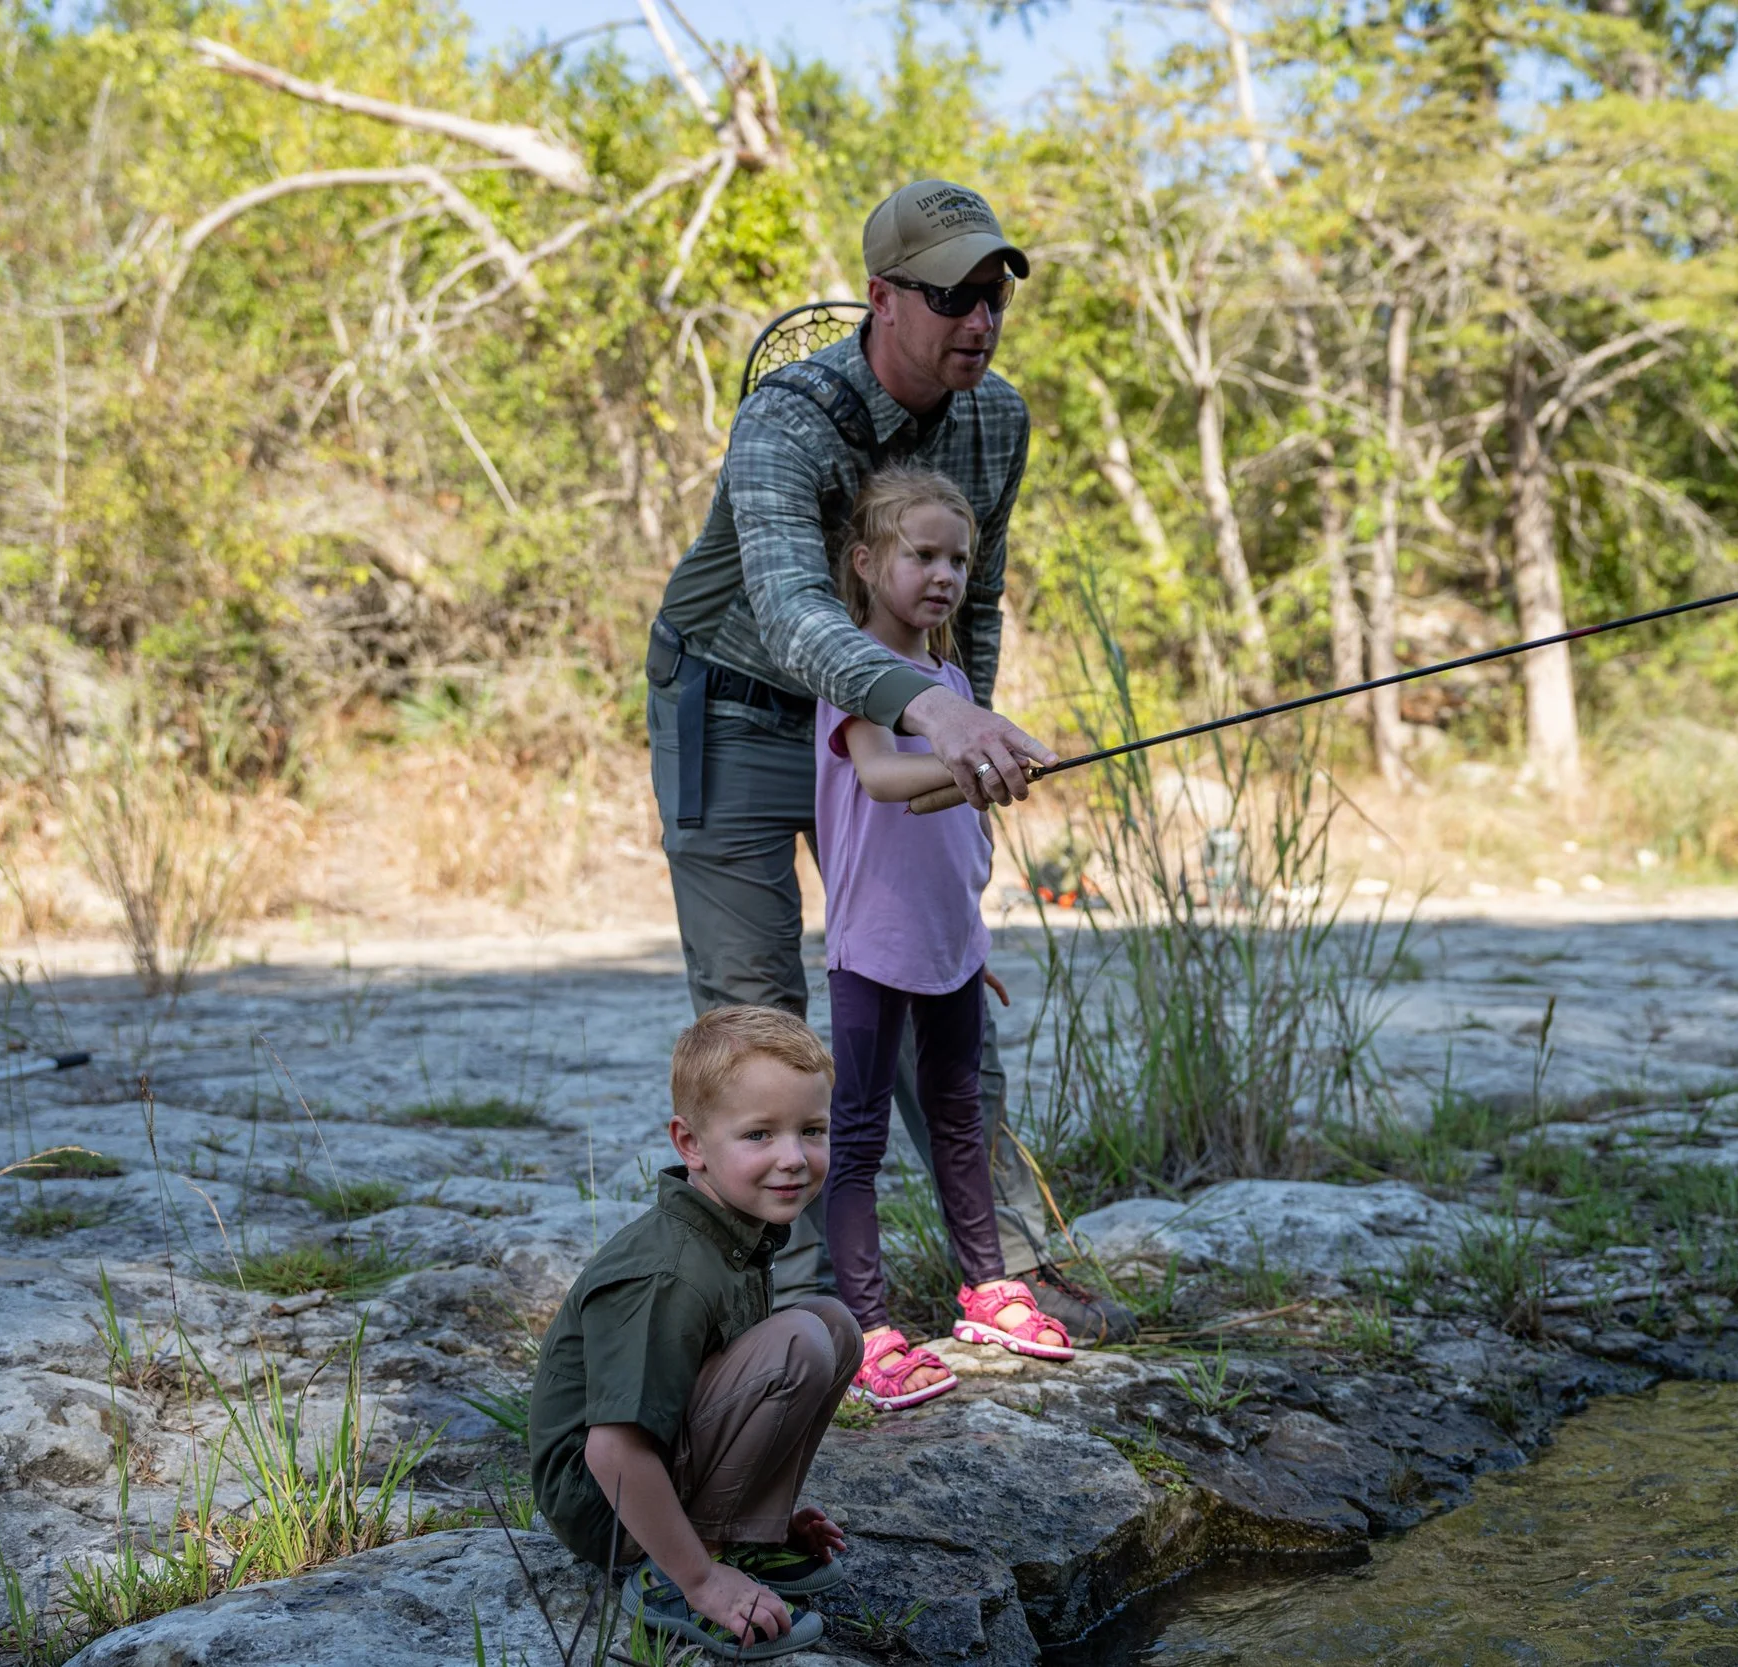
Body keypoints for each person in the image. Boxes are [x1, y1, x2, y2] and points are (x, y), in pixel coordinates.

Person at [642, 177, 1132, 1342]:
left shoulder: (994, 418)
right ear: (881, 299)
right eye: (951, 295)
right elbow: (795, 610)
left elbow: (981, 605)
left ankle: (1010, 1266)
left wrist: (970, 765)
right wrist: (934, 717)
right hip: (736, 707)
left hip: (907, 721)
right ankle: (801, 1303)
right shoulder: (786, 419)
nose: (979, 319)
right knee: (760, 1022)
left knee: (937, 982)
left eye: (994, 296)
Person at [815, 467, 1075, 1409]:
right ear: (866, 560)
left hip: (948, 949)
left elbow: (948, 817)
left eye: (958, 559)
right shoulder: (855, 676)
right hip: (871, 951)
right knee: (858, 1138)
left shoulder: (955, 681)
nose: (943, 575)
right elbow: (886, 779)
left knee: (962, 1120)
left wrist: (970, 927)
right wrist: (964, 751)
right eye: (922, 554)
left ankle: (985, 1287)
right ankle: (867, 1325)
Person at [527, 1007, 861, 1661]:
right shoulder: (670, 1269)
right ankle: (675, 1576)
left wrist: (767, 1508)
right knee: (798, 1341)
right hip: (611, 1506)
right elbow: (612, 1450)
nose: (793, 1158)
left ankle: (745, 1535)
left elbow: (714, 1387)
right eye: (759, 1134)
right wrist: (702, 1579)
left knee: (834, 1326)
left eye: (811, 1129)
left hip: (649, 1472)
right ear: (692, 1143)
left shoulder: (731, 1228)